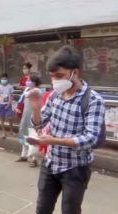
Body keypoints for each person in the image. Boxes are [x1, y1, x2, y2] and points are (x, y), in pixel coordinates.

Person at [28, 45, 105, 214]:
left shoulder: (93, 100)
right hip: (50, 163)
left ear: (75, 73)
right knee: (42, 208)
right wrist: (35, 109)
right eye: (52, 76)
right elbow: (38, 125)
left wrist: (54, 140)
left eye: (59, 76)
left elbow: (90, 138)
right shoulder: (55, 95)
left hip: (75, 169)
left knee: (70, 210)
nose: (55, 81)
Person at [15, 74, 42, 167]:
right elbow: (21, 100)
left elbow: (31, 95)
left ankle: (34, 159)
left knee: (33, 136)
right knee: (24, 134)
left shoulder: (37, 91)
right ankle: (24, 155)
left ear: (34, 82)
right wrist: (18, 108)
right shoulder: (27, 89)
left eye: (29, 80)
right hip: (25, 115)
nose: (27, 82)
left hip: (34, 116)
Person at [0, 73, 14, 139]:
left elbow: (12, 96)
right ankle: (3, 132)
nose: (4, 80)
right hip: (1, 104)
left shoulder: (10, 87)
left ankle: (11, 130)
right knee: (2, 118)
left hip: (8, 104)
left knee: (10, 118)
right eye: (2, 79)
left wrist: (9, 104)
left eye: (5, 79)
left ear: (7, 79)